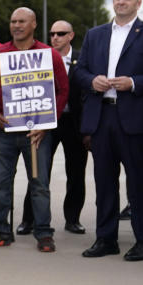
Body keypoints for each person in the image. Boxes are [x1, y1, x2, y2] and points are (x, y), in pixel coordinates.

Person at [72, 0, 143, 261]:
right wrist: (92, 80)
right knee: (104, 181)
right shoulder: (95, 35)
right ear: (112, 2)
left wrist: (134, 82)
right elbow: (79, 72)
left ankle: (142, 240)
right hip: (101, 116)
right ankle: (106, 239)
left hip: (136, 118)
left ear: (139, 4)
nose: (122, 2)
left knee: (139, 183)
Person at [0, 8, 68, 252]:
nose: (16, 25)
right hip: (4, 131)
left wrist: (49, 124)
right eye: (13, 21)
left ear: (34, 24)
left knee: (39, 184)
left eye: (22, 21)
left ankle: (43, 233)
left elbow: (63, 90)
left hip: (36, 133)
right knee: (0, 184)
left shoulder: (49, 55)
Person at [17, 20, 88, 235]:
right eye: (52, 34)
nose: (55, 37)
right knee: (38, 169)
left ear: (71, 35)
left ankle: (73, 218)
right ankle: (28, 219)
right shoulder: (40, 57)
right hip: (46, 121)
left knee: (76, 172)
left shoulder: (82, 59)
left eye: (61, 33)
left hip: (74, 121)